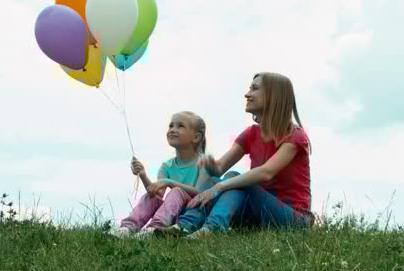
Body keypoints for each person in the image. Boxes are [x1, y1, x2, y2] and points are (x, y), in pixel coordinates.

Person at [167, 72, 313, 238]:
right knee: (227, 177)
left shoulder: (295, 136)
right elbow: (220, 169)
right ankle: (185, 225)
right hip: (257, 214)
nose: (247, 94)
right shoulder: (251, 134)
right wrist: (209, 165)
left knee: (237, 180)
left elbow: (266, 172)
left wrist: (220, 186)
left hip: (293, 218)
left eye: (254, 89)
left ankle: (212, 228)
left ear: (273, 96)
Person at [108, 111, 216, 238]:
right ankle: (127, 228)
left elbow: (200, 193)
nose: (172, 129)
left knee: (177, 191)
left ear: (196, 137)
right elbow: (157, 194)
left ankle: (155, 228)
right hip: (173, 214)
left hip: (195, 215)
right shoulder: (167, 166)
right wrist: (143, 174)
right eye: (171, 126)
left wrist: (170, 182)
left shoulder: (205, 161)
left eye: (180, 126)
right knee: (151, 196)